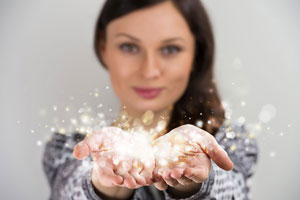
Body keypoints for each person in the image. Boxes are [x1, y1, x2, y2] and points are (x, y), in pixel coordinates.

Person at [42, 0, 258, 199]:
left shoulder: (232, 143)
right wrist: (103, 184)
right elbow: (69, 189)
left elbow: (231, 189)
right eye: (129, 46)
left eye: (170, 49)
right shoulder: (67, 149)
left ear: (196, 54)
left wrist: (194, 178)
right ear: (103, 47)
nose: (149, 71)